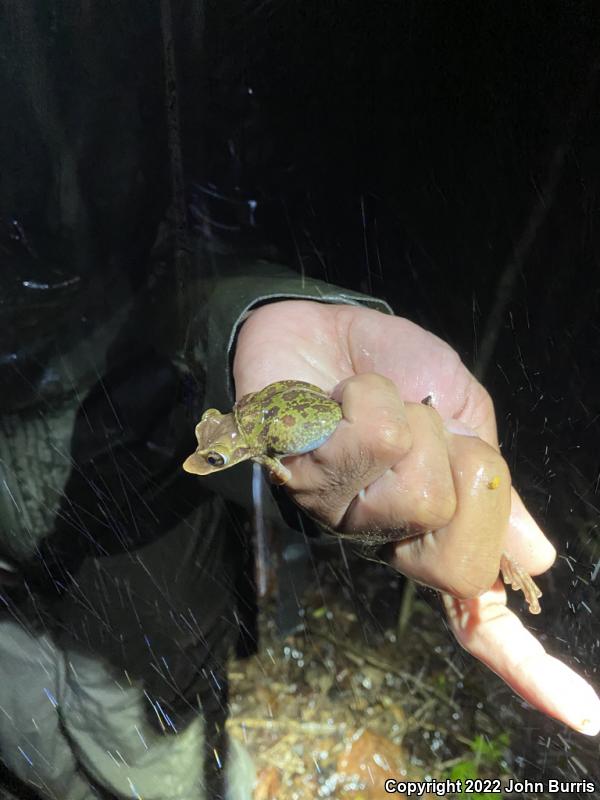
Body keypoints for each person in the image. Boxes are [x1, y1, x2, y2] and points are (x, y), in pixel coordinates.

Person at [1, 4, 599, 800]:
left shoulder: (126, 60)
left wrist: (246, 319)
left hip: (127, 539)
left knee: (149, 745)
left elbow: (196, 230)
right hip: (21, 595)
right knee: (30, 736)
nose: (209, 449)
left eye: (214, 447)